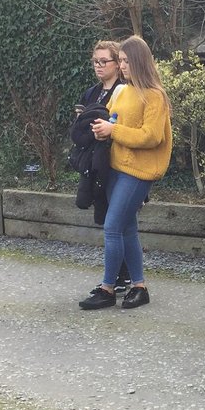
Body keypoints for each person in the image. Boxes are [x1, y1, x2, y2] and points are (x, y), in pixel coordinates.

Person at [78, 35, 173, 310]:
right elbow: (113, 119)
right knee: (127, 228)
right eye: (120, 61)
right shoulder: (122, 91)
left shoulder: (155, 96)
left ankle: (108, 288)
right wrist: (101, 127)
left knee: (112, 226)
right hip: (116, 167)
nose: (122, 66)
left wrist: (113, 130)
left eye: (126, 61)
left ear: (140, 62)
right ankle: (139, 286)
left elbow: (152, 136)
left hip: (139, 171)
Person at [72, 40, 129, 286]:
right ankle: (117, 274)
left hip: (118, 162)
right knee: (106, 218)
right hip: (95, 163)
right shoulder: (92, 92)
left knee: (119, 223)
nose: (98, 66)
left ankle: (123, 275)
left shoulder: (126, 91)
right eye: (95, 61)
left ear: (117, 64)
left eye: (104, 61)